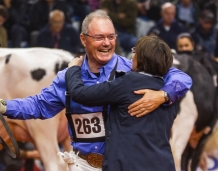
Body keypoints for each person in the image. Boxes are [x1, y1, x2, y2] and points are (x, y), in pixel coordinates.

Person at [0, 11, 192, 170]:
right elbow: (39, 104)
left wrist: (163, 94)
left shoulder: (132, 69)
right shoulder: (68, 76)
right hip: (82, 164)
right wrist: (3, 105)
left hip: (121, 165)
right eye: (99, 37)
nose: (107, 43)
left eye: (111, 37)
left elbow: (181, 76)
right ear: (84, 40)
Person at [64, 35, 177, 171]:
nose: (131, 56)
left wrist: (73, 70)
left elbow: (79, 94)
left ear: (142, 58)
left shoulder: (129, 83)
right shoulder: (168, 94)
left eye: (135, 51)